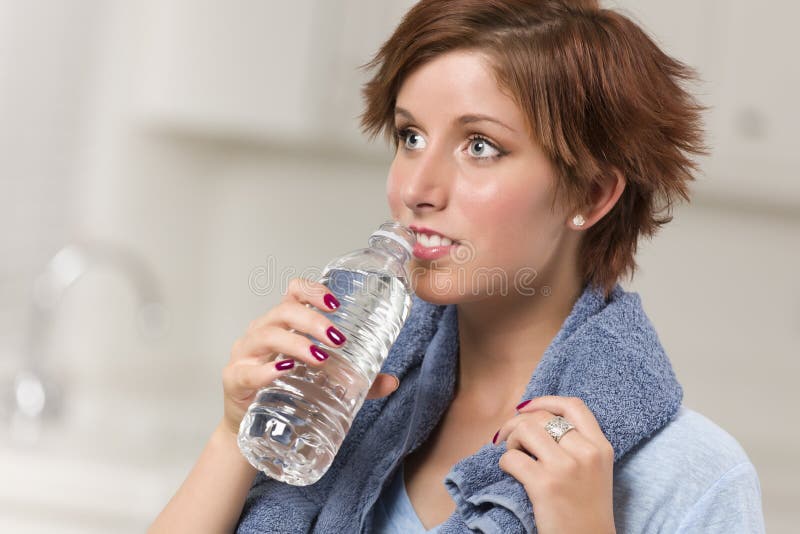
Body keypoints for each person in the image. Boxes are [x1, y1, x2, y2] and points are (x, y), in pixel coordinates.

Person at [150, 0, 766, 532]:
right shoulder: (341, 405)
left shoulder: (693, 477)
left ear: (591, 195)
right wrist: (235, 436)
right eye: (410, 136)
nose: (417, 187)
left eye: (480, 146)